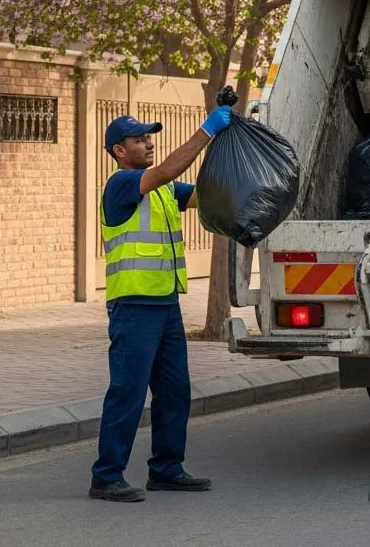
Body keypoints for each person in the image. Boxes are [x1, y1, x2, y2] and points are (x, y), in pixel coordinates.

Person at [89, 104, 233, 503]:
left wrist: (229, 140)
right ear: (119, 150)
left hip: (166, 304)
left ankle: (166, 469)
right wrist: (206, 130)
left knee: (175, 391)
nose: (148, 144)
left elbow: (206, 196)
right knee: (128, 391)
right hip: (133, 306)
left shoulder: (165, 191)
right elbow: (169, 170)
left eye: (149, 138)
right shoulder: (120, 185)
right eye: (139, 140)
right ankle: (106, 476)